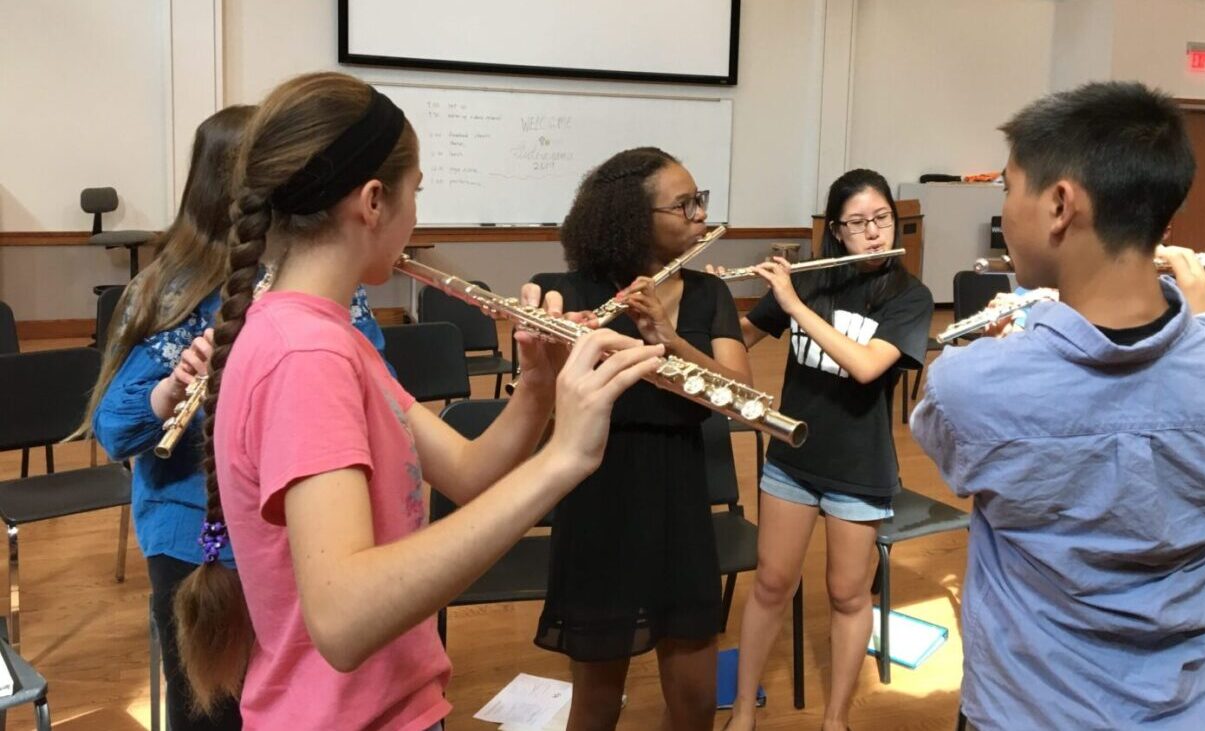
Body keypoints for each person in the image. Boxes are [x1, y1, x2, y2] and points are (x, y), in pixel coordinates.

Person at [170, 72, 663, 731]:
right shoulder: (306, 356)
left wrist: (540, 385)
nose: (416, 217)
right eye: (416, 194)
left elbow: (467, 469)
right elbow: (343, 619)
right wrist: (565, 458)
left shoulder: (329, 337)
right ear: (373, 202)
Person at [910, 81, 1205, 730]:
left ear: (1060, 204)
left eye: (1009, 187)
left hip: (1021, 713)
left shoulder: (969, 382)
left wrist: (1013, 351)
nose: (1004, 210)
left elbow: (948, 446)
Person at [81, 103, 391, 730]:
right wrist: (174, 387)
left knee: (295, 699)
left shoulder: (317, 276)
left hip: (299, 529)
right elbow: (113, 429)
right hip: (198, 542)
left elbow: (375, 385)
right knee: (211, 712)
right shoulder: (169, 290)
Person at [530, 147, 751, 730]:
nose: (700, 215)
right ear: (633, 217)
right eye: (685, 204)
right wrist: (551, 354)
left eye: (700, 201)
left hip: (679, 499)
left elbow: (743, 396)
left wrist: (666, 336)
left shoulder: (709, 294)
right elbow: (541, 414)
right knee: (597, 704)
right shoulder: (566, 291)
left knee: (697, 699)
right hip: (598, 497)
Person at [714, 168, 933, 731]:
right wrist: (703, 309)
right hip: (794, 459)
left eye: (882, 219)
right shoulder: (811, 279)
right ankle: (742, 710)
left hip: (860, 467)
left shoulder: (910, 296)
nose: (874, 233)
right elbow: (740, 338)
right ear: (836, 230)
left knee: (846, 595)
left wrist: (792, 304)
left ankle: (835, 719)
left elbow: (865, 367)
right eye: (858, 223)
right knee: (770, 583)